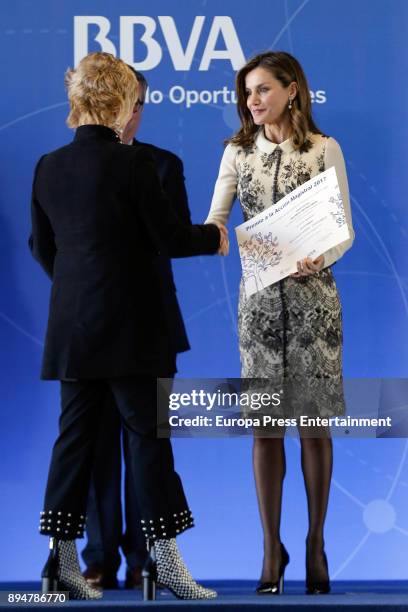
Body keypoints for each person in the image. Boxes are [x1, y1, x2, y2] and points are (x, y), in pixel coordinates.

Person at [30, 51, 228, 600]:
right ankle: (167, 566)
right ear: (121, 100)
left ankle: (60, 566)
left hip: (72, 328)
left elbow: (42, 248)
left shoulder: (48, 165)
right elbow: (168, 239)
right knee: (149, 443)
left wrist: (81, 288)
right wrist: (214, 236)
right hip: (135, 329)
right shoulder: (134, 164)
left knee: (72, 444)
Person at [205, 51, 354, 595]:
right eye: (247, 93)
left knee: (313, 427)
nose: (253, 101)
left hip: (315, 303)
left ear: (292, 90)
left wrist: (324, 255)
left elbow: (343, 229)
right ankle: (272, 549)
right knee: (265, 429)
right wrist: (214, 237)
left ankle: (315, 543)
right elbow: (216, 220)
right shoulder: (236, 153)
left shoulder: (323, 149)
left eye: (263, 89)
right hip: (260, 310)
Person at [81, 69, 197, 590]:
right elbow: (57, 251)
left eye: (134, 103)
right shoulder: (69, 166)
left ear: (140, 107)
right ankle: (100, 557)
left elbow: (173, 238)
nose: (126, 112)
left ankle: (151, 557)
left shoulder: (163, 164)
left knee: (148, 446)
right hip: (91, 324)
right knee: (97, 445)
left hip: (148, 326)